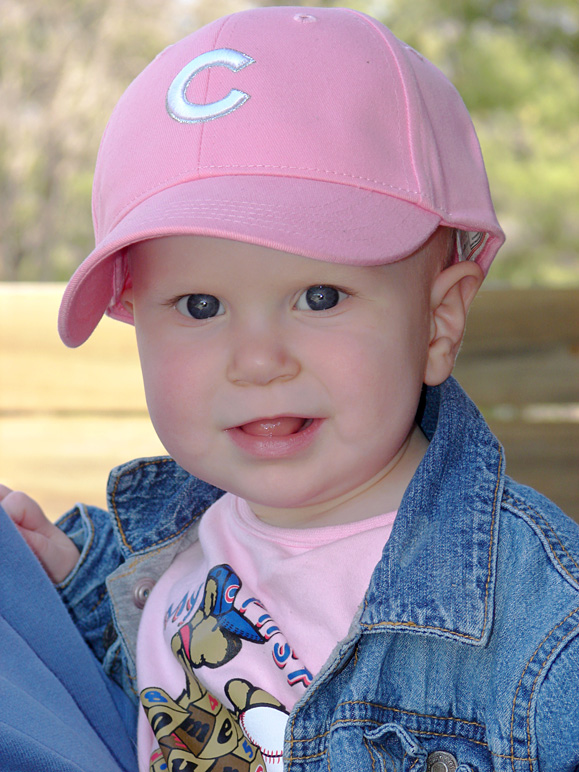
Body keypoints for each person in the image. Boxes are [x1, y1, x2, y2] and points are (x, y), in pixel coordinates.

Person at [2, 6, 579, 771]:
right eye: (200, 307)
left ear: (438, 321)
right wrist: (78, 593)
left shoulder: (542, 628)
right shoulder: (170, 555)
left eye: (318, 297)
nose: (258, 360)